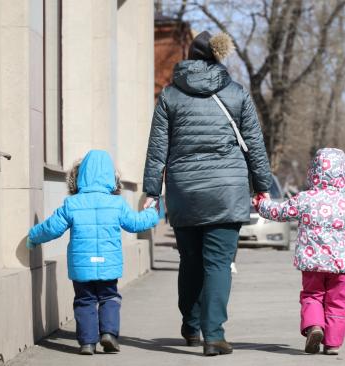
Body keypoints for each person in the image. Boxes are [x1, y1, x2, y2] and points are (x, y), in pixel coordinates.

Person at [142, 31, 272, 356]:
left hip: (185, 192)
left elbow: (158, 147)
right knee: (217, 263)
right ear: (218, 57)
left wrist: (151, 191)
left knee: (189, 261)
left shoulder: (170, 96)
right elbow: (254, 144)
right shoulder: (237, 93)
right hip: (227, 192)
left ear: (189, 56)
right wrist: (263, 187)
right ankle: (213, 335)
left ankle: (190, 323)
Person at [26, 150, 159, 355]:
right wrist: (152, 213)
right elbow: (135, 223)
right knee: (109, 297)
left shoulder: (72, 204)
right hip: (108, 263)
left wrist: (33, 237)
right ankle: (109, 334)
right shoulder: (116, 203)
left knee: (84, 300)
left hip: (82, 265)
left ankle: (87, 343)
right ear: (111, 176)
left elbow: (52, 227)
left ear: (81, 175)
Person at [254, 148, 345, 356]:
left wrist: (262, 204)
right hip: (339, 266)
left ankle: (315, 326)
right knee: (337, 302)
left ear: (313, 172)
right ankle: (333, 343)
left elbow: (280, 212)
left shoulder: (305, 199)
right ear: (343, 174)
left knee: (312, 295)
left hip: (312, 263)